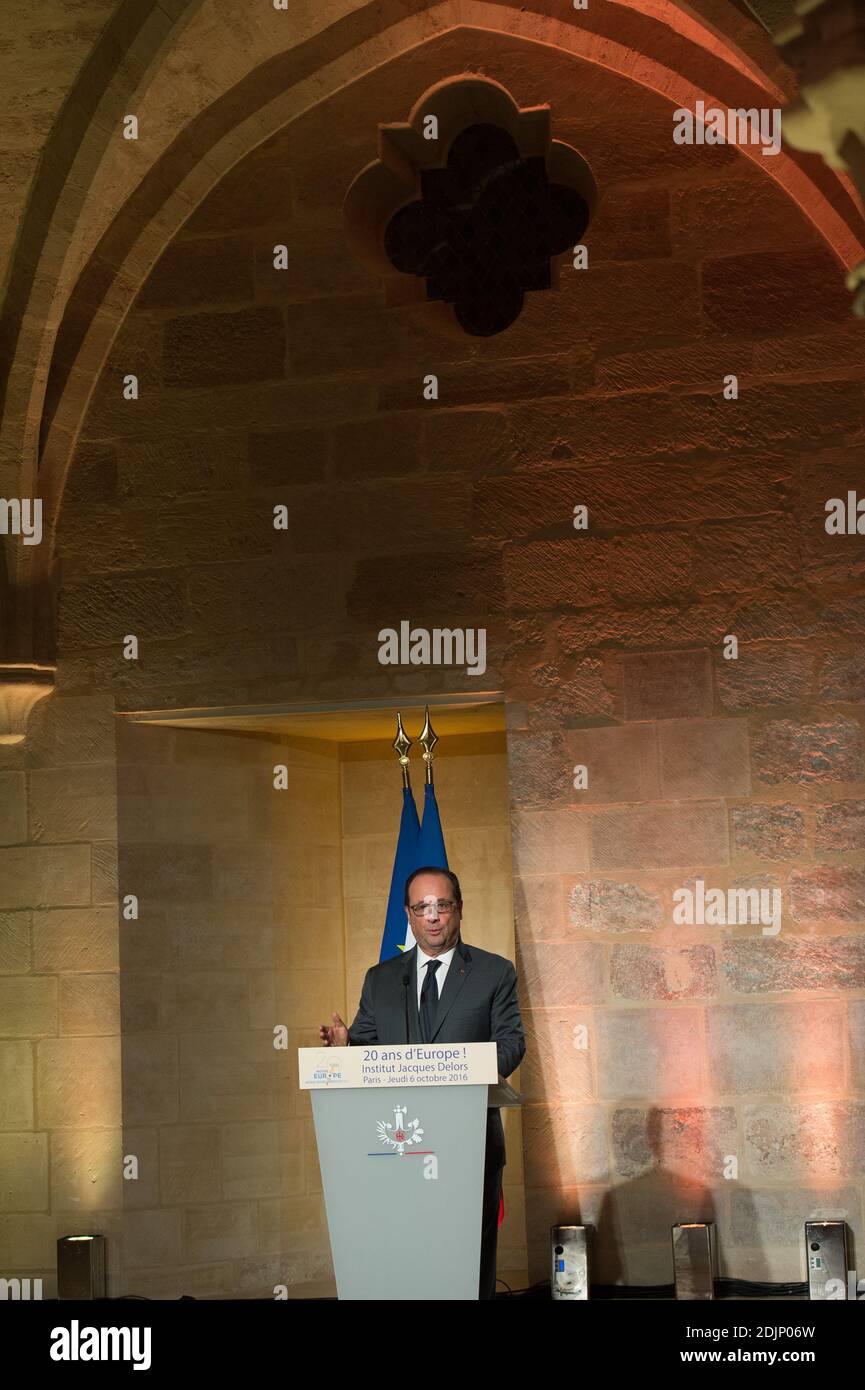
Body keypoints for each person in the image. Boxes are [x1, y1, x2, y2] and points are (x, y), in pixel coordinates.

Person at [319, 865, 525, 1300]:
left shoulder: (494, 972)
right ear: (409, 915)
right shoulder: (380, 979)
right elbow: (368, 1049)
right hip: (398, 1148)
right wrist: (346, 1047)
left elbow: (511, 1044)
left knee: (469, 1260)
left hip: (469, 1145)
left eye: (442, 905)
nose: (433, 916)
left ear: (459, 910)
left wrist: (469, 1069)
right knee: (404, 1257)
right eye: (421, 907)